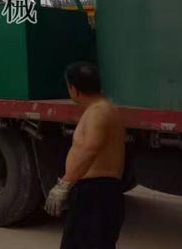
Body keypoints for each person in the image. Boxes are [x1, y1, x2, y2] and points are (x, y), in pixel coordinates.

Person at [45, 62, 126, 249]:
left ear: (73, 88)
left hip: (96, 194)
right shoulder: (100, 109)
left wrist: (64, 184)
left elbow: (90, 150)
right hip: (93, 193)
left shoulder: (99, 112)